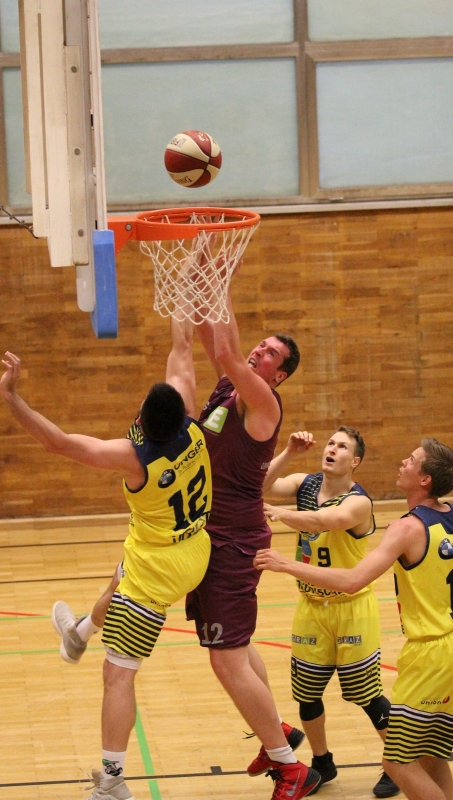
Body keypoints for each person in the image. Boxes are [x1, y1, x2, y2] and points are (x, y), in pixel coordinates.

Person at [0, 315, 212, 800]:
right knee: (119, 576)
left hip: (158, 571)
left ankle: (112, 782)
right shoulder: (194, 426)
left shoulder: (134, 459)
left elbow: (57, 443)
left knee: (117, 674)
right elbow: (182, 351)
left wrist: (11, 396)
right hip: (193, 548)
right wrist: (183, 288)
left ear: (141, 420)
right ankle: (77, 634)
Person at [255, 437, 453, 800]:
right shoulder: (449, 512)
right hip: (440, 646)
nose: (403, 462)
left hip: (430, 653)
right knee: (430, 756)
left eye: (411, 460)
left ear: (425, 479)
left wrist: (285, 563)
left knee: (396, 762)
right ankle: (322, 760)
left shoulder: (403, 526)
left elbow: (351, 579)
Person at [185, 290, 321, 800]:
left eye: (269, 354)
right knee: (236, 650)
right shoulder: (230, 384)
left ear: (278, 376)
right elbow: (212, 339)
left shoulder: (265, 403)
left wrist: (219, 281)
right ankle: (276, 732)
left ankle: (290, 768)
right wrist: (201, 280)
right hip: (210, 534)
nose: (257, 352)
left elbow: (224, 348)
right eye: (259, 345)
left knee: (224, 659)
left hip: (235, 542)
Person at [262, 427, 399, 798]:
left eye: (343, 446)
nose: (333, 449)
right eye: (331, 443)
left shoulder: (359, 503)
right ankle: (323, 763)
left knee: (366, 695)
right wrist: (288, 453)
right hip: (311, 606)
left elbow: (326, 521)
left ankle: (398, 763)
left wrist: (280, 513)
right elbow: (261, 484)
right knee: (307, 694)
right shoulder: (305, 483)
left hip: (351, 608)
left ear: (354, 461)